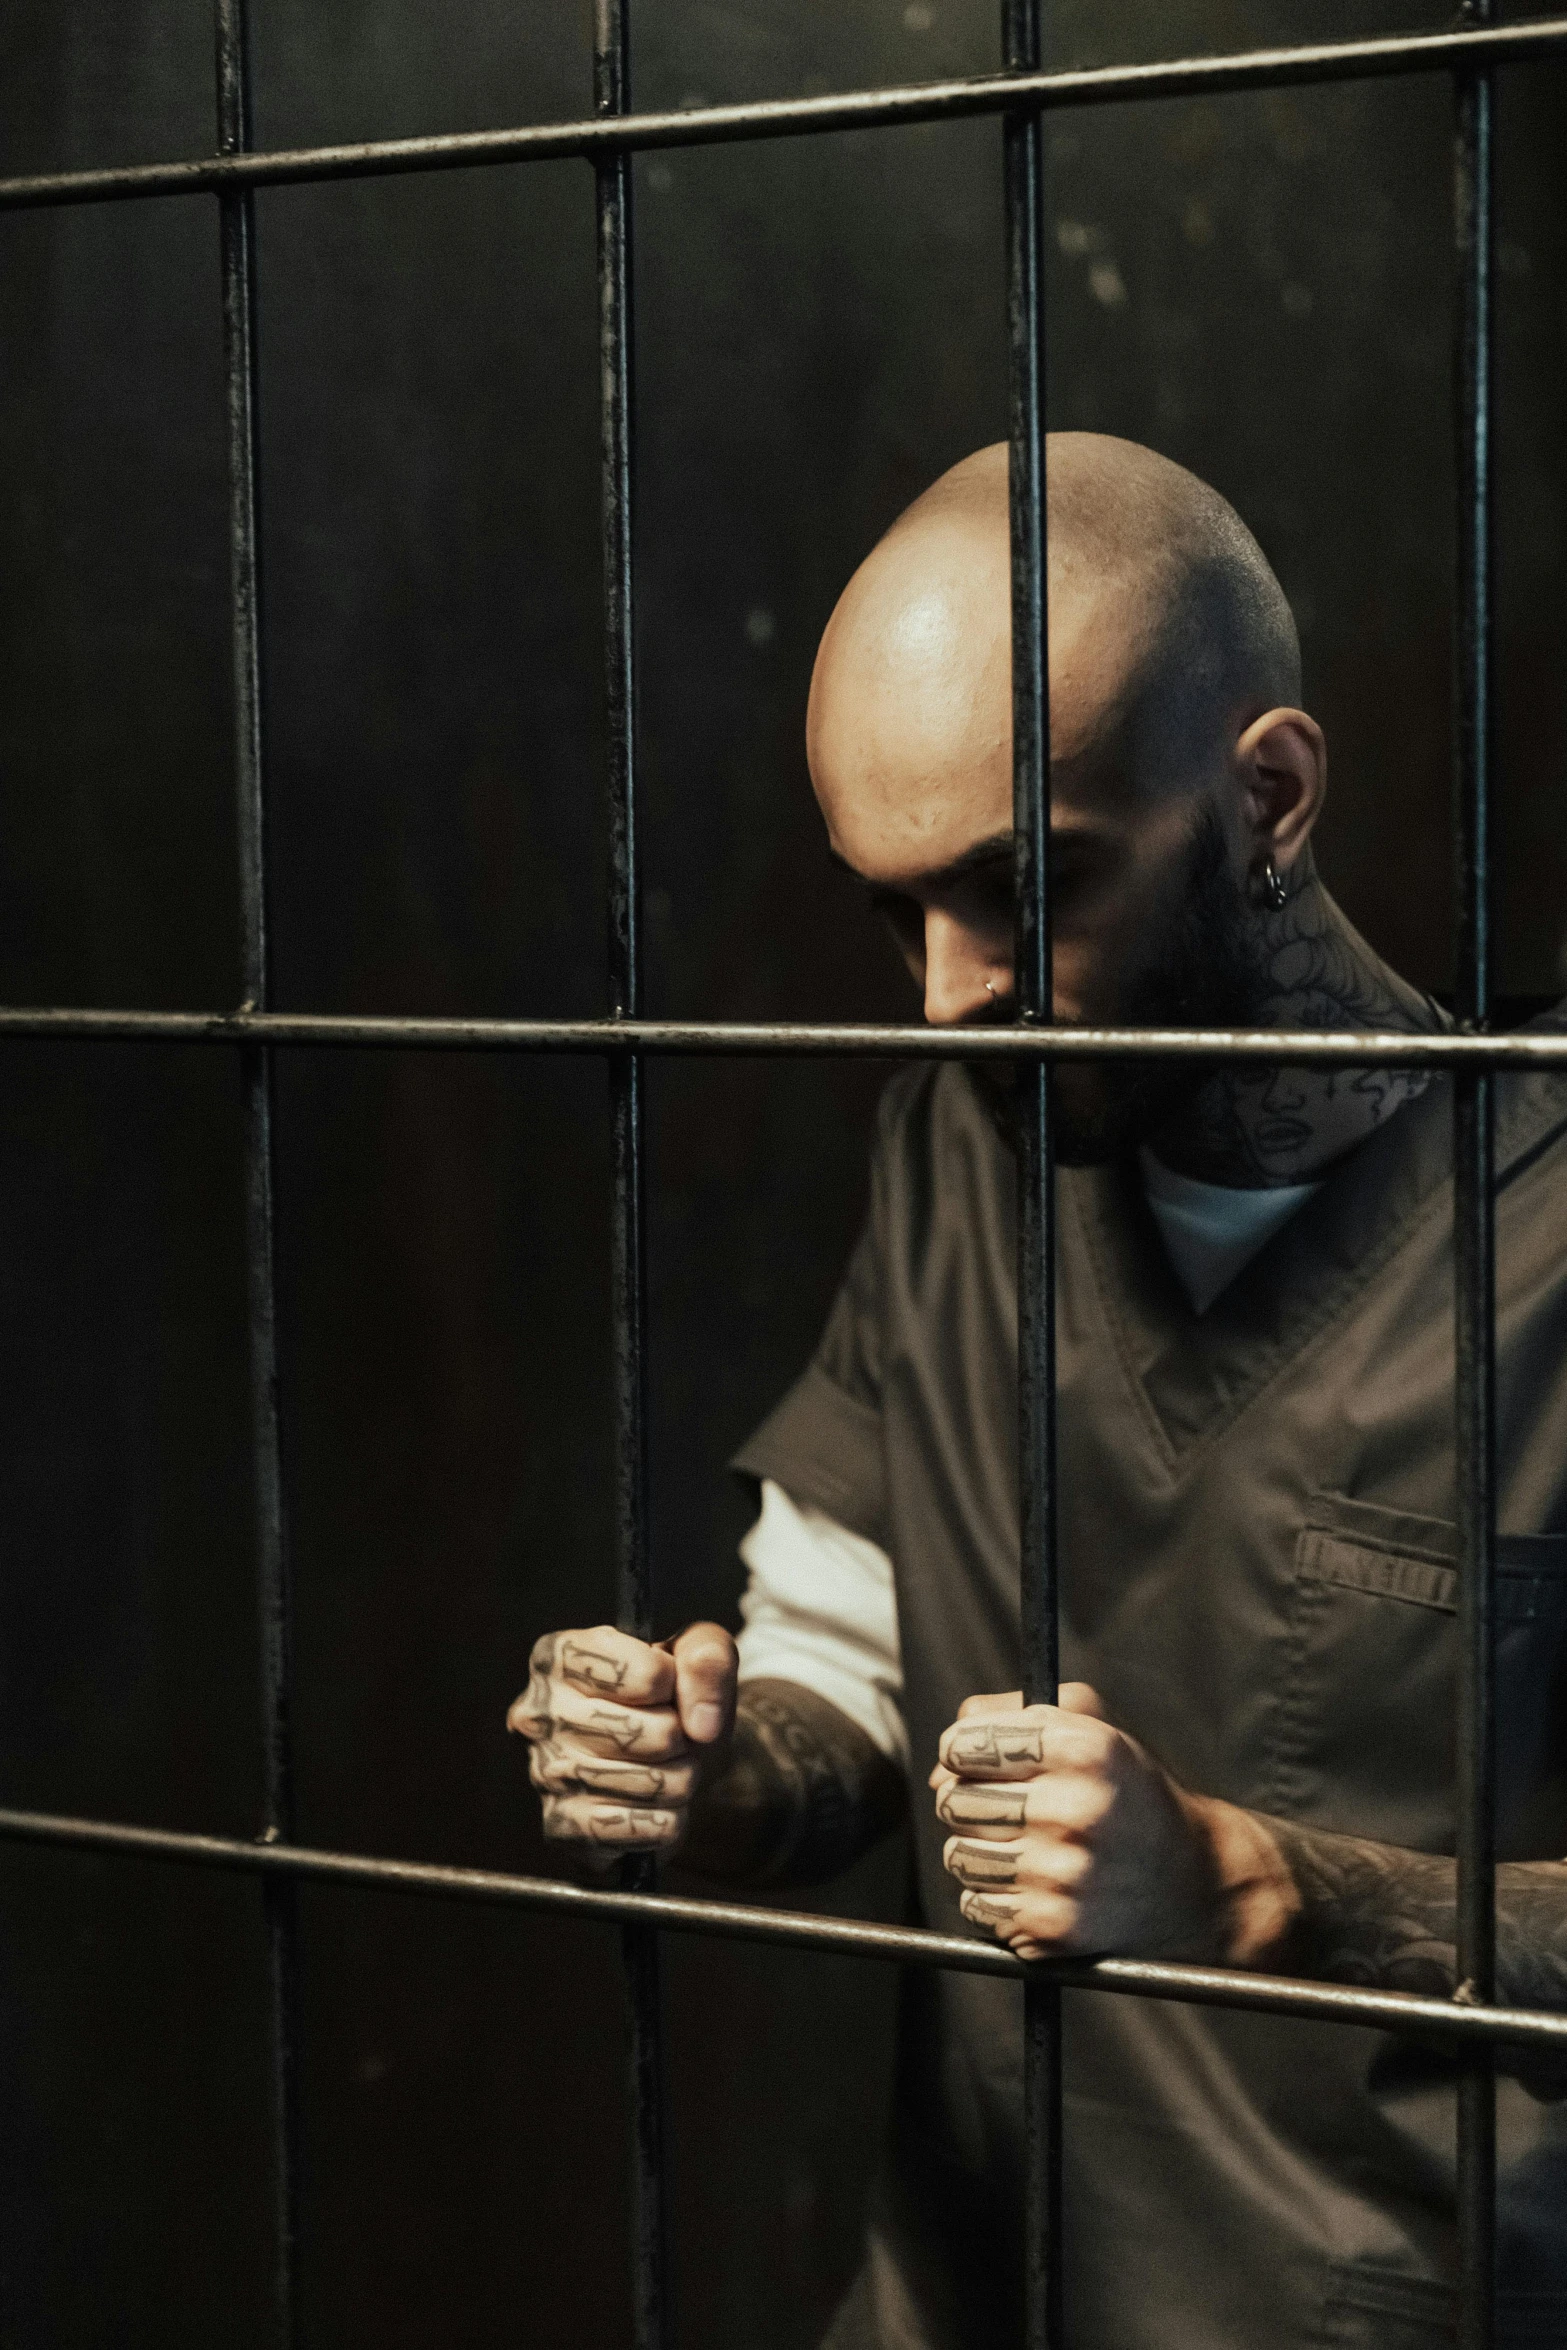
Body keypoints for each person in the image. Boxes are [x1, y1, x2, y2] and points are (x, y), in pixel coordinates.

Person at [508, 435, 1567, 2349]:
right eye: (895, 907)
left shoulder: (1545, 1230)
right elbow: (844, 1677)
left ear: (1267, 793)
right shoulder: (955, 1146)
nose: (945, 991)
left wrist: (1254, 1881)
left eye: (1025, 885)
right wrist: (708, 1771)